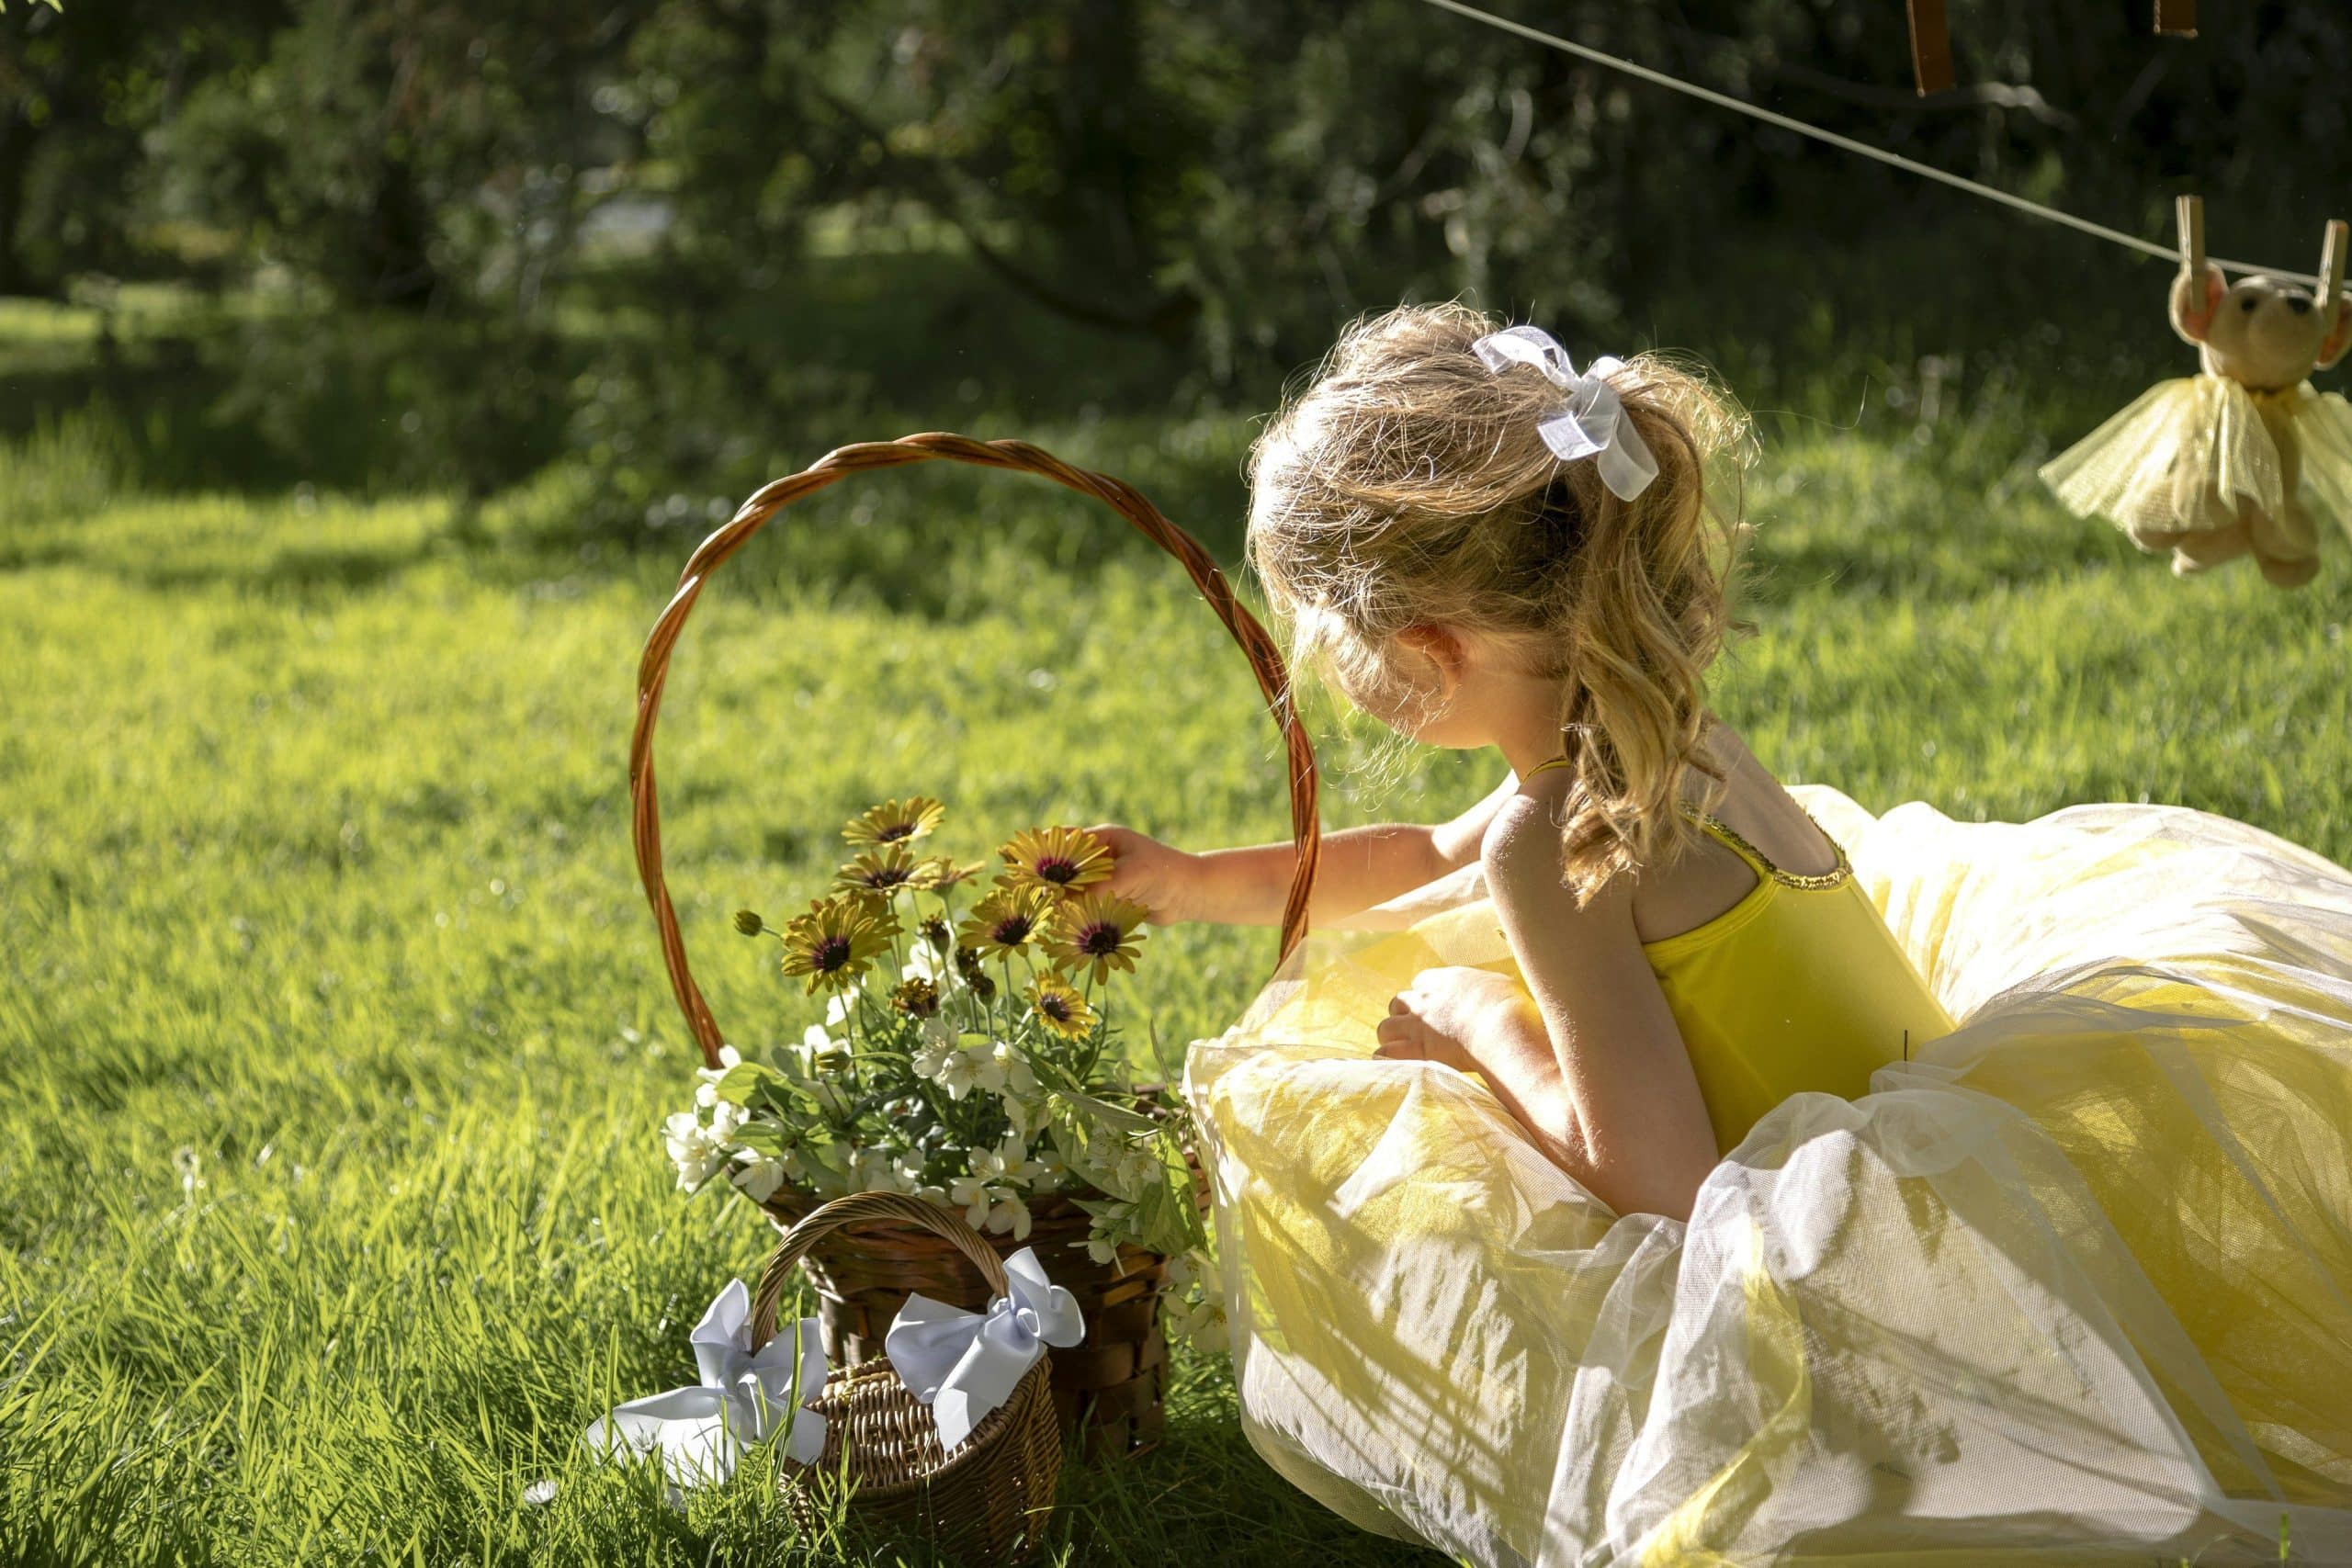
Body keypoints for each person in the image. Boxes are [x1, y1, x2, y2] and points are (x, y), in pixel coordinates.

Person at [1093, 303, 2352, 1563]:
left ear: (1424, 650)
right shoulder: (1651, 733)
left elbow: (1667, 1191)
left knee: (1388, 1155)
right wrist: (1193, 880)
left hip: (1846, 1276)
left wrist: (1478, 1031)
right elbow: (1427, 857)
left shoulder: (1559, 844)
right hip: (1931, 1155)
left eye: (1333, 642)